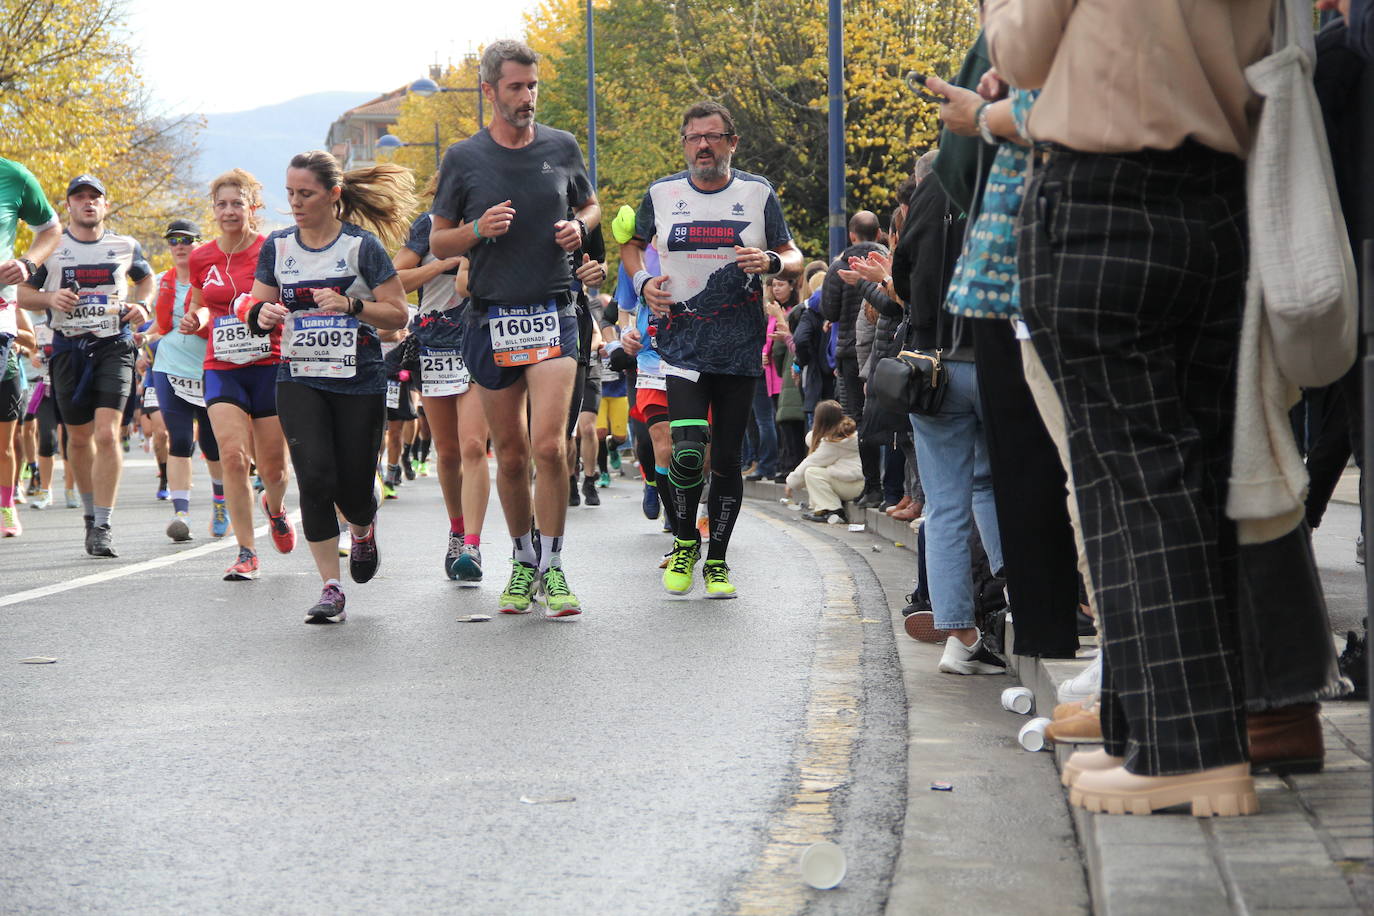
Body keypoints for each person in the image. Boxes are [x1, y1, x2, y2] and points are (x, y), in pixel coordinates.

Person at [987, 0, 1273, 813]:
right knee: (1190, 476)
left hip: (1104, 190)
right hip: (1220, 194)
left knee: (1131, 482)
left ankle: (1183, 750)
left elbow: (1024, 45)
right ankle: (1171, 736)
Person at [430, 39, 600, 618]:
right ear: (490, 91)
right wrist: (478, 227)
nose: (526, 97)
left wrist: (579, 226)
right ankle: (522, 562)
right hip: (492, 317)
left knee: (551, 447)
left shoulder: (562, 145)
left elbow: (592, 204)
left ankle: (554, 567)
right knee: (510, 454)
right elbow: (439, 240)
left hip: (553, 309)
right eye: (515, 87)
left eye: (532, 87)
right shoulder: (463, 158)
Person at [620, 99, 803, 598]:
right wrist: (641, 281)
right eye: (693, 137)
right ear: (684, 144)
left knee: (724, 460)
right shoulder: (662, 193)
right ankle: (683, 545)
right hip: (679, 345)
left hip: (741, 348)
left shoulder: (757, 192)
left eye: (712, 136)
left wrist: (769, 259)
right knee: (685, 452)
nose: (703, 146)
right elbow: (632, 245)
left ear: (731, 142)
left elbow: (792, 253)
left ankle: (717, 560)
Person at [247, 150, 413, 621]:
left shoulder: (362, 248)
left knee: (355, 489)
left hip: (358, 380)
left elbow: (398, 312)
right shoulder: (277, 247)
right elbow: (256, 309)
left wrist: (351, 307)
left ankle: (362, 528)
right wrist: (263, 313)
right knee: (315, 478)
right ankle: (330, 587)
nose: (295, 203)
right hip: (299, 377)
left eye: (306, 194)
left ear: (333, 195)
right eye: (290, 194)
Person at [18, 175, 153, 557]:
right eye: (80, 198)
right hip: (68, 350)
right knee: (78, 438)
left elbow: (146, 281)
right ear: (69, 206)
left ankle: (105, 525)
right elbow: (23, 294)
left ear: (106, 205)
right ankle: (91, 518)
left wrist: (142, 305)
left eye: (95, 197)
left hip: (114, 345)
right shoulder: (53, 248)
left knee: (108, 435)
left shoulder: (124, 246)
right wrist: (50, 298)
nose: (88, 203)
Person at [181, 169, 296, 580]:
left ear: (253, 207)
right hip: (222, 367)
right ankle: (246, 552)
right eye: (222, 204)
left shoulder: (273, 250)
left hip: (268, 364)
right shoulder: (201, 256)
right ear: (213, 209)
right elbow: (200, 303)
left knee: (275, 470)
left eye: (237, 203)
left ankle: (276, 508)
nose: (229, 211)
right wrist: (194, 319)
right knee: (232, 456)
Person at [395, 201, 488, 585]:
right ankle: (455, 530)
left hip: (479, 343)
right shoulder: (428, 226)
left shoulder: (493, 218)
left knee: (472, 447)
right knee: (448, 453)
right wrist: (439, 265)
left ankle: (472, 545)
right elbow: (395, 280)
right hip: (434, 348)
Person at [148, 219, 226, 543]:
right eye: (173, 240)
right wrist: (144, 337)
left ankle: (221, 504)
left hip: (208, 368)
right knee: (178, 440)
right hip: (168, 366)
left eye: (186, 239)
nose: (179, 245)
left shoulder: (212, 280)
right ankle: (180, 514)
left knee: (212, 445)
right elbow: (161, 326)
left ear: (198, 244)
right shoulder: (162, 281)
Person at [821, 211, 886, 506]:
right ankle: (893, 487)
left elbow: (830, 311)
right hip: (887, 347)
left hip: (850, 351)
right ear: (879, 232)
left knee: (858, 417)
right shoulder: (888, 261)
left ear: (851, 235)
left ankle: (872, 485)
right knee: (889, 418)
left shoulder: (839, 266)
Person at [786, 399, 862, 523]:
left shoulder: (833, 443)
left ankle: (832, 510)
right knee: (818, 471)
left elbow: (811, 462)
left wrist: (790, 483)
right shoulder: (842, 434)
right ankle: (820, 507)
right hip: (855, 483)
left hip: (854, 486)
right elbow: (815, 440)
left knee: (812, 472)